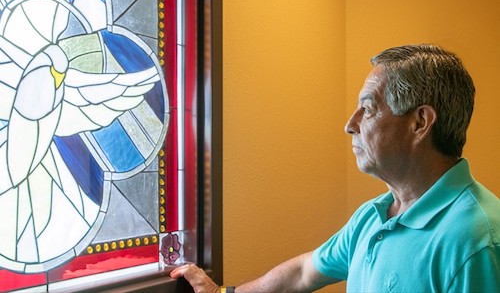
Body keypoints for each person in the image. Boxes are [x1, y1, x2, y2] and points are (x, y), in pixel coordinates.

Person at [170, 44, 500, 292]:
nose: (350, 125)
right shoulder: (374, 216)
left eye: (367, 110)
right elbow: (303, 273)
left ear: (420, 123)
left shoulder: (477, 241)